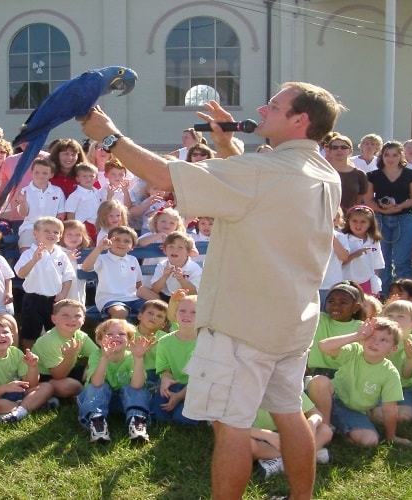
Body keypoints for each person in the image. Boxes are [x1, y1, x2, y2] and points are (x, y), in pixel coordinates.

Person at [80, 81, 344, 498]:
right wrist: (227, 149)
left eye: (273, 105)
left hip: (243, 325)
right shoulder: (324, 171)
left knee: (230, 426)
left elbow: (164, 175)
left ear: (300, 119)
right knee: (289, 413)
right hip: (292, 320)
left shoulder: (263, 170)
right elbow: (264, 195)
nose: (262, 107)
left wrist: (107, 133)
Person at [307, 318, 410, 446]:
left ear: (393, 349)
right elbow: (323, 346)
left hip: (353, 411)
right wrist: (356, 336)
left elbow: (389, 409)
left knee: (370, 441)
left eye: (384, 340)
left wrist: (391, 436)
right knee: (319, 381)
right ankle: (325, 430)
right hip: (330, 399)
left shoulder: (390, 373)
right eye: (371, 337)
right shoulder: (354, 351)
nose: (375, 343)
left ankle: (338, 428)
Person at [76, 318, 153, 443]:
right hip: (97, 400)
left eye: (122, 334)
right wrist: (105, 358)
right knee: (100, 387)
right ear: (100, 341)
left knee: (135, 389)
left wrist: (138, 358)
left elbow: (137, 385)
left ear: (129, 341)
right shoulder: (96, 356)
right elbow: (96, 383)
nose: (116, 336)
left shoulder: (131, 357)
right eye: (110, 334)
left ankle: (137, 421)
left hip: (124, 401)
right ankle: (97, 422)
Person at [0, 318, 56, 424]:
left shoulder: (16, 353)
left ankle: (16, 413)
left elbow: (32, 384)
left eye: (5, 332)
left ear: (12, 337)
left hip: (15, 393)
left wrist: (33, 367)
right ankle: (33, 405)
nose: (1, 336)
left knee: (47, 386)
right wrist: (6, 387)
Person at [364, 141, 412, 295]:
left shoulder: (411, 174)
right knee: (382, 261)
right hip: (380, 219)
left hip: (405, 218)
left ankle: (407, 295)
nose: (391, 158)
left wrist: (400, 206)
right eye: (387, 155)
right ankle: (383, 294)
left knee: (402, 261)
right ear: (381, 156)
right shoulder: (372, 175)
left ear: (401, 156)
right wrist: (383, 209)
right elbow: (368, 200)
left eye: (395, 155)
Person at [14, 216, 75, 349]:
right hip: (33, 300)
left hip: (55, 300)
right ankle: (28, 361)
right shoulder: (29, 254)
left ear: (60, 236)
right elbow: (20, 273)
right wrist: (34, 260)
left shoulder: (62, 255)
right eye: (47, 231)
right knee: (30, 334)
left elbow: (68, 276)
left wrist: (63, 294)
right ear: (36, 234)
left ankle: (53, 361)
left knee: (55, 333)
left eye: (56, 232)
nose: (51, 234)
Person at [370, 300, 412, 424]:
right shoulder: (377, 339)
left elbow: (408, 375)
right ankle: (374, 412)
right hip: (379, 387)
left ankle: (379, 412)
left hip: (403, 388)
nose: (393, 319)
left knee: (406, 416)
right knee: (381, 415)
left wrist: (410, 357)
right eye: (389, 316)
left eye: (400, 316)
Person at [31, 299, 99, 398]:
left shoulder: (81, 336)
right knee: (67, 386)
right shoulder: (49, 341)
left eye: (77, 316)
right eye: (65, 316)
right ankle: (86, 394)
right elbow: (58, 376)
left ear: (83, 320)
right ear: (54, 319)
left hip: (68, 370)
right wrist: (69, 356)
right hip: (45, 376)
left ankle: (90, 390)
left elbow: (98, 355)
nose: (72, 320)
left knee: (99, 366)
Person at [149, 295, 198, 425]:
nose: (187, 315)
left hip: (197, 387)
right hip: (175, 385)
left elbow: (202, 377)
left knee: (183, 420)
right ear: (175, 315)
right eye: (182, 311)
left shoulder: (205, 343)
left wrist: (180, 396)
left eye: (194, 312)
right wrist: (165, 380)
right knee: (159, 415)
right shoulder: (165, 342)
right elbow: (165, 368)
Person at [80, 226, 145, 320]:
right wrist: (99, 248)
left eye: (127, 241)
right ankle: (118, 334)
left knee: (154, 308)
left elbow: (138, 284)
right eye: (117, 239)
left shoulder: (133, 260)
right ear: (109, 242)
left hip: (133, 298)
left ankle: (144, 334)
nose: (121, 243)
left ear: (132, 246)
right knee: (121, 312)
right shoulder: (102, 258)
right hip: (110, 299)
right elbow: (85, 268)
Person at [307, 281, 365, 378]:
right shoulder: (319, 319)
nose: (335, 306)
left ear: (355, 308)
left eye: (343, 302)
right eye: (331, 302)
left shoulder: (362, 328)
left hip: (348, 377)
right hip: (316, 375)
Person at [13, 158, 66, 252]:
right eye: (37, 172)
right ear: (31, 173)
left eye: (45, 173)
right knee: (27, 252)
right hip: (30, 228)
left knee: (52, 253)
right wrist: (22, 202)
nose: (40, 176)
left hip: (51, 230)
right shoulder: (24, 191)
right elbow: (23, 213)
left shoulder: (57, 191)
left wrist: (54, 229)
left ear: (51, 174)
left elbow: (61, 213)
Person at [139, 231, 202, 300]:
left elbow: (194, 293)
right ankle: (165, 308)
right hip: (165, 297)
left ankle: (168, 309)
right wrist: (164, 276)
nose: (175, 250)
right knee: (141, 290)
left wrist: (181, 279)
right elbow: (155, 290)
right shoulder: (163, 265)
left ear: (188, 252)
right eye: (171, 246)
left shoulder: (194, 268)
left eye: (180, 247)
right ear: (165, 250)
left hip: (184, 299)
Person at [339, 205, 384, 296]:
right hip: (347, 282)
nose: (358, 225)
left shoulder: (373, 241)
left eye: (363, 222)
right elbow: (339, 262)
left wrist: (375, 285)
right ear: (348, 222)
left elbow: (376, 266)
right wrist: (355, 254)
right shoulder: (343, 239)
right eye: (354, 221)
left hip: (367, 281)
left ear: (370, 224)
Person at [325, 133, 367, 213]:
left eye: (344, 147)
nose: (339, 150)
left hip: (349, 220)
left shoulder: (359, 175)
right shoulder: (322, 172)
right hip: (325, 218)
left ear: (350, 151)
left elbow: (358, 201)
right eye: (335, 147)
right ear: (329, 151)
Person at [65, 163, 104, 242]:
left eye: (91, 176)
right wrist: (73, 228)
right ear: (78, 179)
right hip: (83, 225)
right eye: (84, 176)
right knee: (85, 245)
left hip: (97, 224)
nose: (88, 179)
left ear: (96, 178)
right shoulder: (76, 195)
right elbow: (70, 213)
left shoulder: (98, 192)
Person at [59, 219, 91, 304]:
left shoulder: (83, 253)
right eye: (69, 235)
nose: (74, 238)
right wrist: (67, 260)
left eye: (78, 235)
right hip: (61, 293)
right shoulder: (58, 252)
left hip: (77, 291)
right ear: (61, 236)